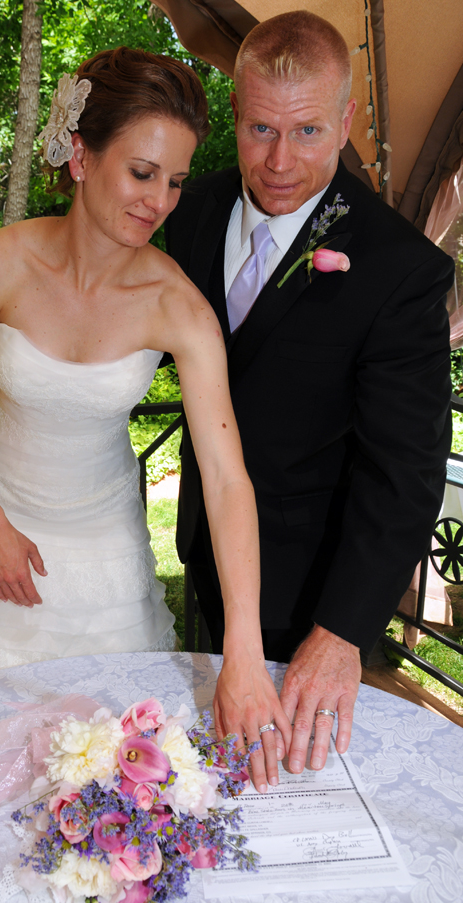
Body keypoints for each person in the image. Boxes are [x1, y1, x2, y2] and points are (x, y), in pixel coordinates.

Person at [0, 46, 290, 787]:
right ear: (81, 157)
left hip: (108, 563)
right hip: (5, 537)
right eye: (142, 173)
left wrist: (243, 642)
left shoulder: (178, 305)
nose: (160, 201)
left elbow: (226, 480)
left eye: (176, 180)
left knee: (113, 780)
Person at [165, 11, 453, 789]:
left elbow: (408, 469)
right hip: (205, 555)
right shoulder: (188, 213)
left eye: (308, 132)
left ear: (347, 119)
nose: (280, 160)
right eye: (260, 128)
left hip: (315, 591)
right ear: (234, 111)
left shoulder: (402, 270)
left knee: (296, 789)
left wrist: (342, 632)